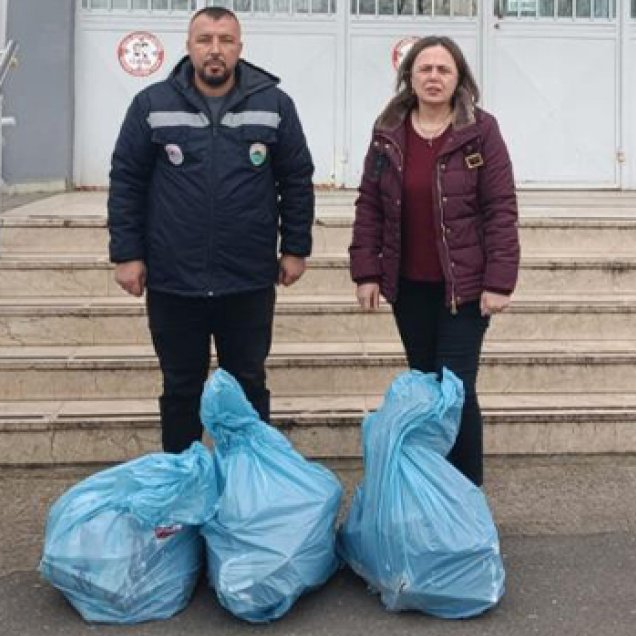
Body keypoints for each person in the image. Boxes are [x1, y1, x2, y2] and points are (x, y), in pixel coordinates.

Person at [107, 7, 314, 454]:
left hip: (248, 278)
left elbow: (296, 179)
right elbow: (127, 179)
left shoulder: (274, 105)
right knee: (181, 387)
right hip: (174, 279)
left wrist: (295, 247)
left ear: (240, 47)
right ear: (189, 46)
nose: (215, 49)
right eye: (205, 40)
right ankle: (183, 485)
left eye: (225, 39)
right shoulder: (152, 105)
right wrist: (127, 253)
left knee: (248, 384)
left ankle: (249, 485)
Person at [349, 36, 520, 486]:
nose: (433, 77)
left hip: (464, 288)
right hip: (409, 287)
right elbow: (369, 203)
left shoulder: (480, 131)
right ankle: (432, 492)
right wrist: (366, 270)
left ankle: (466, 496)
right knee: (425, 390)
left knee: (455, 391)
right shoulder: (389, 131)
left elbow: (500, 207)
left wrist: (499, 280)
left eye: (443, 70)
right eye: (424, 69)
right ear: (409, 77)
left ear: (459, 77)